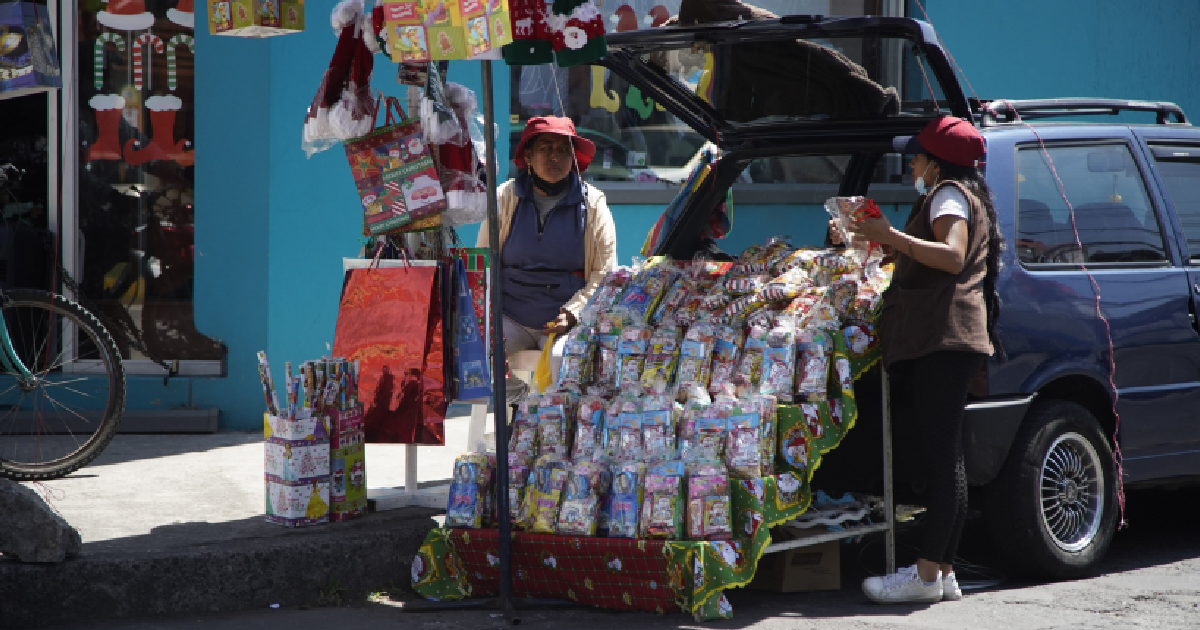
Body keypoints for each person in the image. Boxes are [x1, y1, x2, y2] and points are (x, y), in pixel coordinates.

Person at [843, 116, 1003, 604]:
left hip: (944, 338)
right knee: (947, 458)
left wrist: (891, 234)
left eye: (917, 156)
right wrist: (878, 240)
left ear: (936, 164)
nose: (912, 164)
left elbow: (952, 257)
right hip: (950, 337)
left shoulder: (948, 195)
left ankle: (926, 575)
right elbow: (930, 259)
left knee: (942, 460)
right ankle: (944, 571)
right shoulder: (959, 194)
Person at [476, 116, 617, 384]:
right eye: (546, 148)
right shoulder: (505, 198)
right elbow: (484, 263)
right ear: (528, 156)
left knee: (563, 359)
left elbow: (604, 273)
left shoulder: (593, 204)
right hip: (509, 317)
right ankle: (519, 401)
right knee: (477, 353)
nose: (556, 156)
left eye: (564, 149)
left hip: (563, 321)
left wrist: (574, 313)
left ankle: (547, 412)